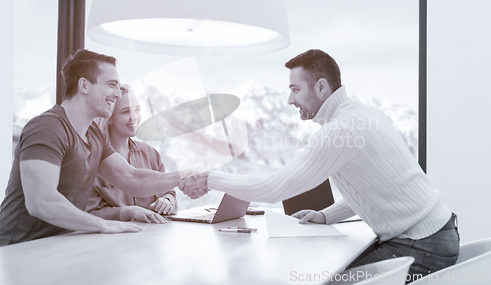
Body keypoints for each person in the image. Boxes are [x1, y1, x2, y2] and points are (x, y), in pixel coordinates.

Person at [179, 49, 460, 281]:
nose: (290, 99)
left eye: (295, 89)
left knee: (323, 279)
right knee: (332, 272)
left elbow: (273, 188)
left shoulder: (340, 131)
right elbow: (376, 186)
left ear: (321, 87)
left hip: (421, 245)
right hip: (436, 234)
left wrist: (208, 179)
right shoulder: (366, 114)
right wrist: (326, 216)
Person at [0, 49, 181, 246]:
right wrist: (103, 224)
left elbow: (131, 177)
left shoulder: (94, 135)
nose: (118, 93)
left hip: (60, 246)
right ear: (84, 85)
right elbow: (41, 201)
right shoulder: (48, 128)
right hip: (17, 249)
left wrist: (184, 177)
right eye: (112, 85)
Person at [85, 85, 177, 223]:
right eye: (125, 111)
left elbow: (169, 191)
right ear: (109, 117)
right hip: (111, 239)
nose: (134, 117)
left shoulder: (151, 154)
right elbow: (88, 213)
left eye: (137, 110)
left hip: (152, 235)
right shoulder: (93, 160)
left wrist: (167, 201)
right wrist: (126, 212)